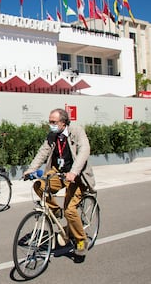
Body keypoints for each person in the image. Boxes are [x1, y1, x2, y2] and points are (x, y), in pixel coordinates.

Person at [23, 108, 96, 261]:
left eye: (53, 122)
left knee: (70, 210)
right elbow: (42, 153)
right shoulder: (52, 136)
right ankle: (56, 211)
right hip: (59, 173)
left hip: (76, 176)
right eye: (49, 121)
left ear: (63, 123)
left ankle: (81, 240)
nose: (51, 125)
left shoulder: (76, 131)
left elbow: (84, 150)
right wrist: (30, 170)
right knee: (39, 185)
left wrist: (74, 172)